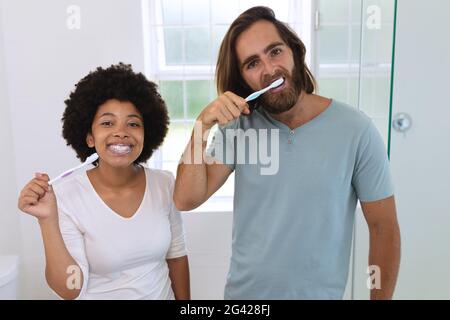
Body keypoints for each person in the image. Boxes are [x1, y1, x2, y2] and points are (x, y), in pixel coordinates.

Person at [173, 7, 400, 300]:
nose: (269, 69)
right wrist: (201, 127)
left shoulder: (356, 130)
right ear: (243, 80)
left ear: (294, 51)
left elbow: (384, 229)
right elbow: (185, 198)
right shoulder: (237, 129)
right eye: (253, 63)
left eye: (275, 51)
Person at [18, 63, 189, 300]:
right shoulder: (65, 196)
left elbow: (177, 255)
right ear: (89, 138)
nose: (121, 132)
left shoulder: (164, 183)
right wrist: (48, 220)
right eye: (107, 123)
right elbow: (70, 289)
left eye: (133, 123)